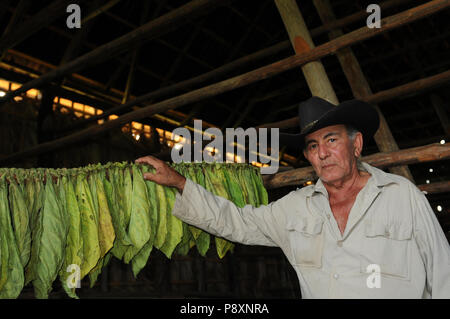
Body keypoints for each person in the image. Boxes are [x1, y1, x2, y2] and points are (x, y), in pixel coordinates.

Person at [135, 96, 450, 298]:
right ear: (309, 158)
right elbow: (237, 222)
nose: (322, 153)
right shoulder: (297, 209)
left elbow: (443, 274)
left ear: (356, 145)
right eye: (313, 146)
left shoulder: (402, 197)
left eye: (331, 140)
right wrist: (179, 182)